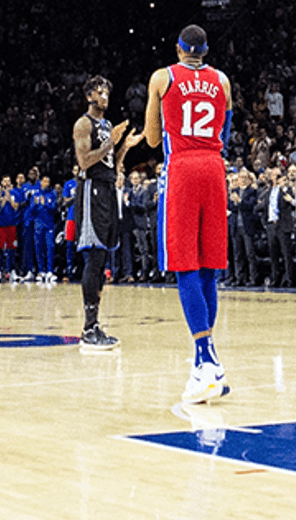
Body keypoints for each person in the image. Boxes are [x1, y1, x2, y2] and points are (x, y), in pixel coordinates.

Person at [144, 24, 233, 403]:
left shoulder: (162, 77)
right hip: (214, 167)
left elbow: (152, 138)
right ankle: (205, 363)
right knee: (209, 267)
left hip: (182, 167)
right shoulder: (223, 81)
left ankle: (206, 360)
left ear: (179, 49)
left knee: (185, 266)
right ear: (205, 51)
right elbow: (225, 133)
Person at [73, 75, 141, 350]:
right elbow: (84, 162)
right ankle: (89, 328)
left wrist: (124, 147)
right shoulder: (83, 124)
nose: (104, 97)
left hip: (108, 188)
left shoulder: (108, 125)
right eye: (100, 92)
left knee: (102, 259)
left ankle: (95, 325)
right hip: (92, 190)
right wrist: (111, 142)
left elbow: (112, 163)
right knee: (95, 255)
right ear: (89, 95)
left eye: (107, 93)